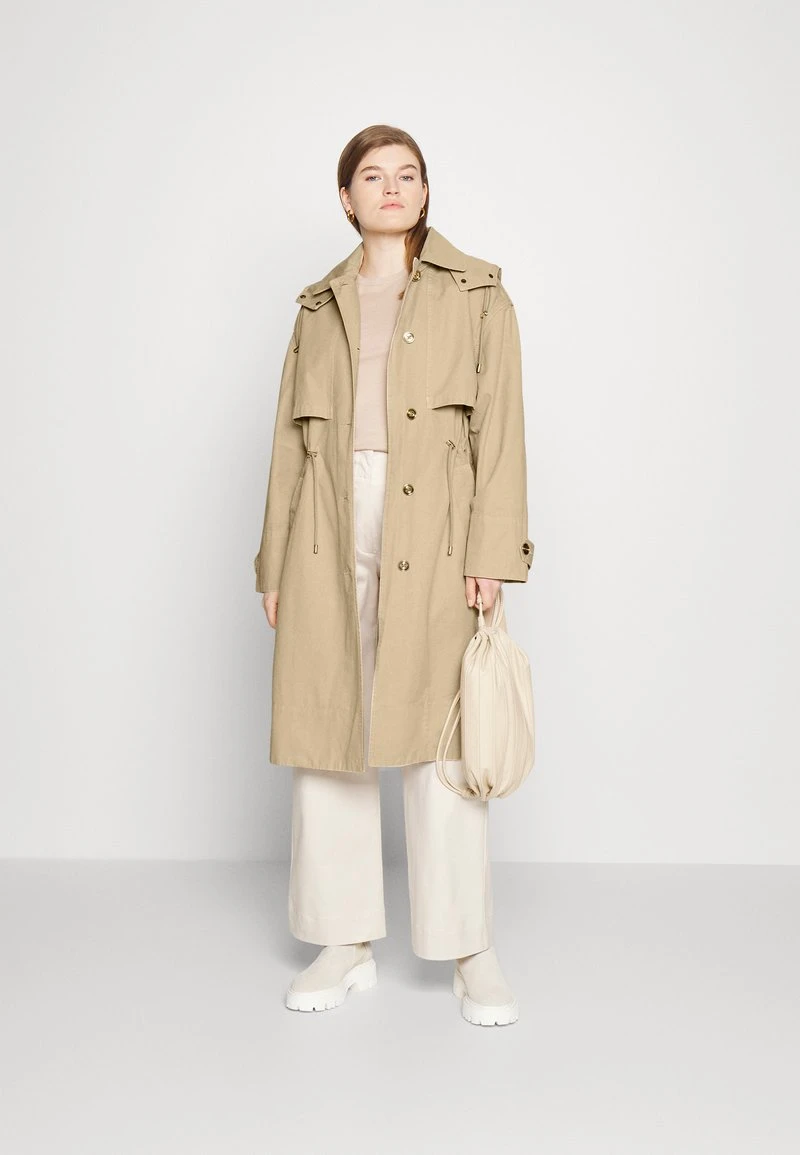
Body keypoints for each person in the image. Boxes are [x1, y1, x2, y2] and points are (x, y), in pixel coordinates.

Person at [254, 125, 533, 1025]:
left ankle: (469, 948)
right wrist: (273, 560)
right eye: (372, 175)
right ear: (346, 198)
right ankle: (343, 940)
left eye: (407, 174)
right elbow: (289, 444)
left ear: (424, 192)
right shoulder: (317, 307)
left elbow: (501, 431)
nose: (391, 187)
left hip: (437, 522)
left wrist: (492, 553)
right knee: (329, 723)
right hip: (325, 523)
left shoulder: (477, 292)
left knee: (441, 732)